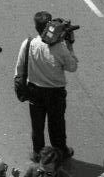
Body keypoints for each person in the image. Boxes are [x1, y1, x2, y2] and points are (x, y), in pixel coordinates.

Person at [14, 12, 78, 159]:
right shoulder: (60, 48)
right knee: (57, 125)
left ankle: (38, 153)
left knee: (37, 126)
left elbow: (20, 67)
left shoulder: (29, 43)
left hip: (34, 90)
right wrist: (70, 45)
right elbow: (72, 67)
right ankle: (60, 151)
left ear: (36, 27)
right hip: (55, 93)